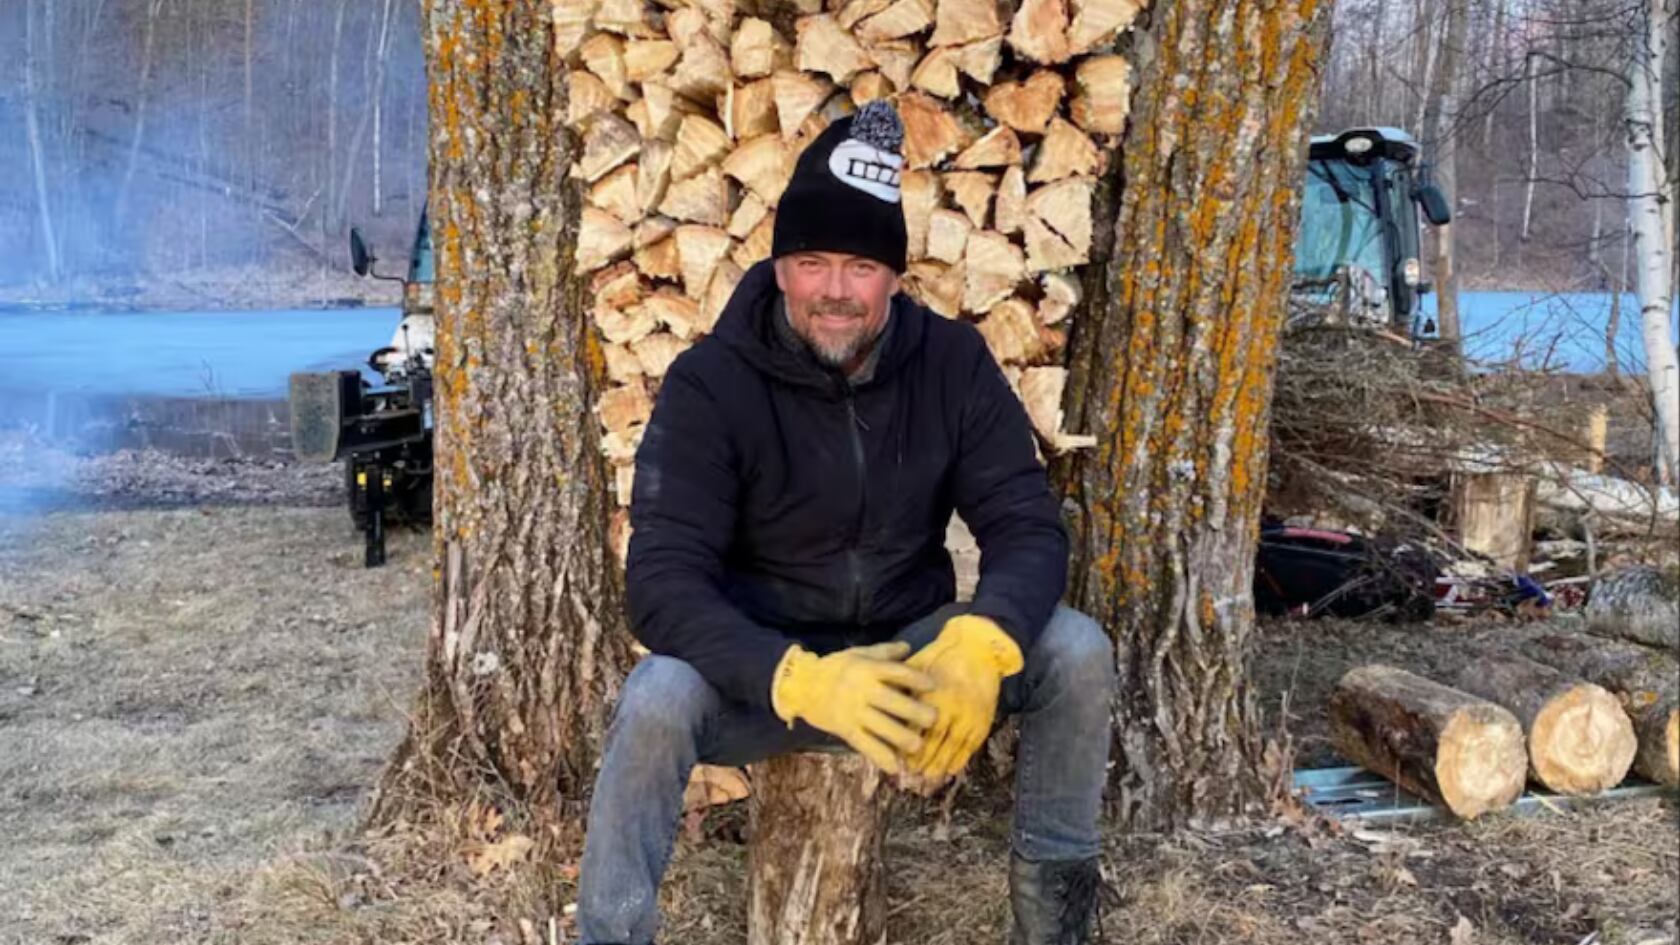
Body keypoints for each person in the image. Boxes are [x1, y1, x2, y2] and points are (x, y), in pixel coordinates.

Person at [576, 100, 1116, 945]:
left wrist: (983, 642)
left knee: (1076, 650)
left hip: (910, 659)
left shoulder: (952, 363)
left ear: (895, 275)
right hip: (768, 674)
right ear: (781, 267)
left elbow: (1026, 524)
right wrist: (795, 675)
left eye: (861, 265)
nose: (835, 291)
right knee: (655, 698)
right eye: (812, 261)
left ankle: (1056, 933)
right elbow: (659, 583)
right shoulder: (711, 382)